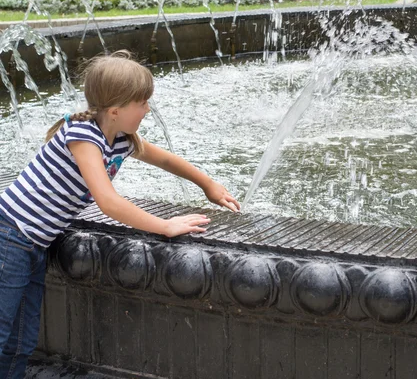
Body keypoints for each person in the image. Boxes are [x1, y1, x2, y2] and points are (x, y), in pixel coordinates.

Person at [0, 50, 241, 378]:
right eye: (142, 103)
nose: (147, 110)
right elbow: (108, 202)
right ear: (115, 110)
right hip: (9, 237)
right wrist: (164, 226)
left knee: (20, 341)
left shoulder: (121, 139)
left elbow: (165, 159)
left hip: (32, 245)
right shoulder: (82, 135)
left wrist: (207, 184)